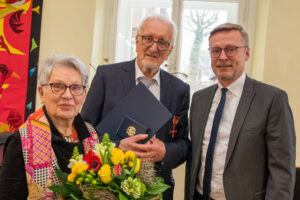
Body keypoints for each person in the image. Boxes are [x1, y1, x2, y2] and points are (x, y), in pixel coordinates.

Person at [81, 14, 190, 200]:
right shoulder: (107, 76)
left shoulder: (180, 89)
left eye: (162, 42)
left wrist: (165, 151)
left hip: (158, 190)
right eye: (148, 38)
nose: (154, 47)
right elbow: (84, 131)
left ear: (170, 50)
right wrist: (116, 148)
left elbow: (183, 144)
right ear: (137, 40)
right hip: (108, 186)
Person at [185, 23, 296, 200]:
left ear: (247, 53)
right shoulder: (199, 99)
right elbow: (195, 158)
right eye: (215, 50)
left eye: (231, 49)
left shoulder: (272, 99)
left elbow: (282, 171)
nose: (222, 57)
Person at [0, 54, 99, 199]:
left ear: (84, 94)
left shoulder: (92, 135)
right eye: (58, 86)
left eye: (76, 87)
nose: (67, 95)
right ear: (42, 93)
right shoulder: (20, 142)